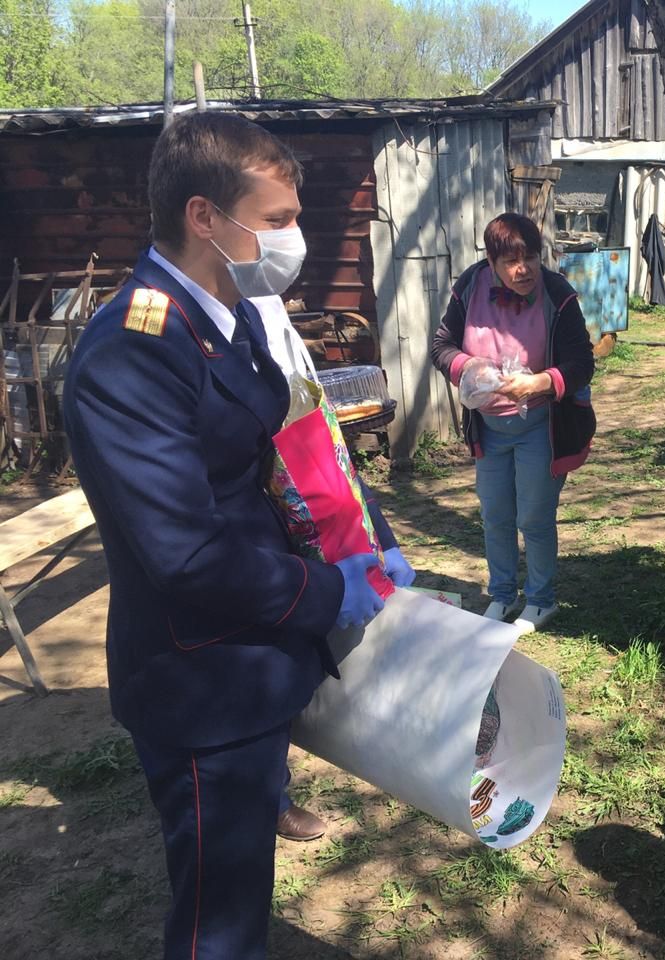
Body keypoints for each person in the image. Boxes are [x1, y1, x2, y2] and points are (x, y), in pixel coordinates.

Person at [62, 111, 414, 960]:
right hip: (201, 681)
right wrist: (332, 592)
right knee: (217, 922)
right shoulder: (131, 354)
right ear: (203, 217)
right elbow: (188, 556)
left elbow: (296, 450)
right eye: (280, 221)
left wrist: (370, 537)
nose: (297, 240)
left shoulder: (240, 317)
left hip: (258, 658)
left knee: (245, 877)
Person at [429, 212, 595, 633]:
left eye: (532, 258)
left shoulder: (557, 294)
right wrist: (469, 368)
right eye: (511, 262)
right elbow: (441, 346)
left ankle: (541, 600)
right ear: (491, 262)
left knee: (534, 518)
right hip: (489, 429)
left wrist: (542, 381)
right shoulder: (470, 287)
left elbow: (582, 362)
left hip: (541, 425)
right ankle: (502, 595)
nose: (524, 270)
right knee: (496, 516)